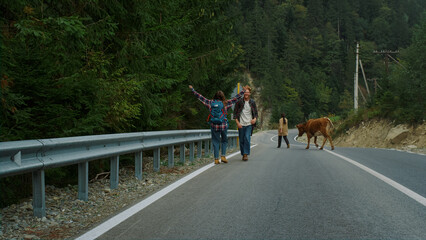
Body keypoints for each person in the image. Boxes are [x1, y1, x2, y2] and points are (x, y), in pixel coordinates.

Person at [189, 85, 246, 164]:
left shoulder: (210, 103)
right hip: (223, 125)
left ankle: (216, 159)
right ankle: (223, 156)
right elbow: (235, 99)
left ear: (215, 96)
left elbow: (200, 97)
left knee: (215, 141)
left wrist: (193, 90)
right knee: (224, 141)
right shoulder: (226, 103)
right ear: (223, 97)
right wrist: (243, 91)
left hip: (214, 125)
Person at [233, 86, 258, 161]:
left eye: (247, 92)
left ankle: (245, 154)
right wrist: (237, 123)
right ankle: (243, 153)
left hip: (249, 124)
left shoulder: (252, 102)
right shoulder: (239, 102)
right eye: (245, 92)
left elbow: (256, 113)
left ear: (249, 93)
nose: (246, 93)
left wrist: (254, 119)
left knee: (247, 138)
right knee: (241, 140)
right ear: (243, 93)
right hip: (241, 124)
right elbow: (235, 114)